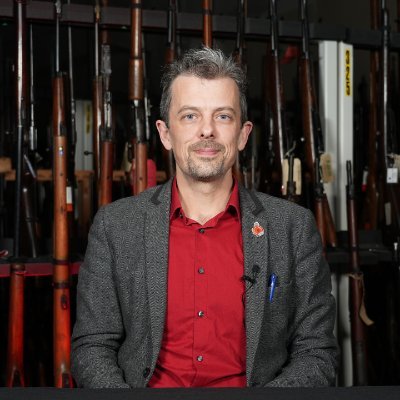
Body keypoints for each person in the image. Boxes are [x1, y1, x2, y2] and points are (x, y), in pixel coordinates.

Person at [71, 47, 338, 388]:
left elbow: (316, 352)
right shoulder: (116, 226)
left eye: (223, 116)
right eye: (190, 116)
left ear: (243, 134)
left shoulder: (292, 228)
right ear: (165, 133)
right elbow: (92, 348)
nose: (207, 131)